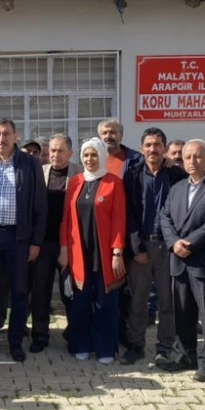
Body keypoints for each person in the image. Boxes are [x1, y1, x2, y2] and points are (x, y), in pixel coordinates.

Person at [0, 117, 47, 363]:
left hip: (18, 237)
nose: (1, 139)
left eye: (6, 134)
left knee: (19, 292)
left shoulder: (30, 164)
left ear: (15, 137)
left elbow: (40, 206)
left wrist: (36, 241)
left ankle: (15, 343)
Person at [158, 139, 205, 381]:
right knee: (182, 313)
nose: (192, 161)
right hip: (179, 261)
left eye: (198, 156)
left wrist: (190, 243)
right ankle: (185, 355)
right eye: (188, 157)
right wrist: (174, 242)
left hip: (203, 261)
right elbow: (165, 216)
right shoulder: (177, 188)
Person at [121, 127, 185, 367]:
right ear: (141, 149)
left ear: (164, 149)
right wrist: (136, 248)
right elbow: (128, 213)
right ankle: (135, 345)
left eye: (157, 145)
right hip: (141, 246)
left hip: (168, 248)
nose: (152, 149)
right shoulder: (132, 175)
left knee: (168, 301)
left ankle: (164, 348)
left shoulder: (176, 175)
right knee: (138, 300)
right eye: (148, 145)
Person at [58, 138, 126, 363]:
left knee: (105, 303)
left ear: (102, 156)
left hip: (104, 254)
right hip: (79, 253)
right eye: (86, 155)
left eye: (94, 154)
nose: (89, 159)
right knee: (80, 303)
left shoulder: (114, 183)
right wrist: (64, 249)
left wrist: (117, 252)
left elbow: (119, 221)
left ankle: (105, 348)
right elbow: (66, 220)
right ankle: (81, 344)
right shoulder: (75, 182)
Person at [30, 134, 80, 353]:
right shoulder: (40, 173)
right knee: (40, 291)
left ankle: (74, 333)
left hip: (69, 244)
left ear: (70, 153)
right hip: (43, 243)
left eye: (60, 151)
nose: (55, 155)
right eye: (52, 150)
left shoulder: (79, 174)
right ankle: (40, 335)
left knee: (71, 292)